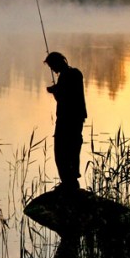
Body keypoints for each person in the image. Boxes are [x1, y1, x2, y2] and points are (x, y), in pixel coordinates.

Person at [44, 51, 87, 191]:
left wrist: (55, 91)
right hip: (76, 118)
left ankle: (68, 183)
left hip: (67, 119)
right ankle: (71, 181)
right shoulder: (75, 73)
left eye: (52, 66)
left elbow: (66, 96)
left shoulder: (67, 76)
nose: (52, 69)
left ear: (58, 62)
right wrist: (57, 90)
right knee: (72, 149)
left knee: (62, 151)